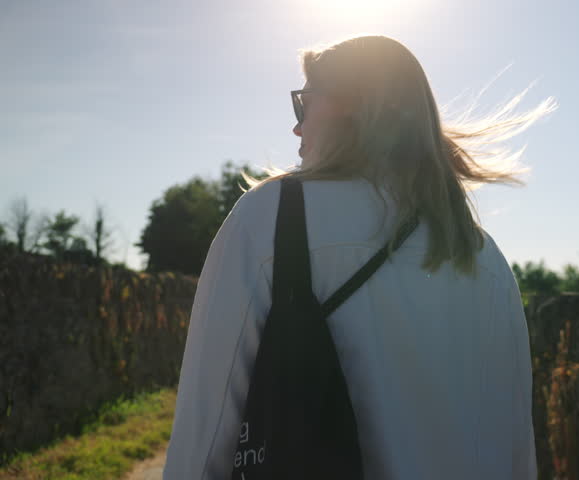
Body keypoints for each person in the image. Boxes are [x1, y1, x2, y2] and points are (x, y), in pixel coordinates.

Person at [163, 34, 555, 479]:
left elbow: (207, 432)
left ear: (350, 104)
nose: (297, 126)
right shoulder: (484, 256)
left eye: (303, 103)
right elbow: (514, 447)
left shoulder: (270, 218)